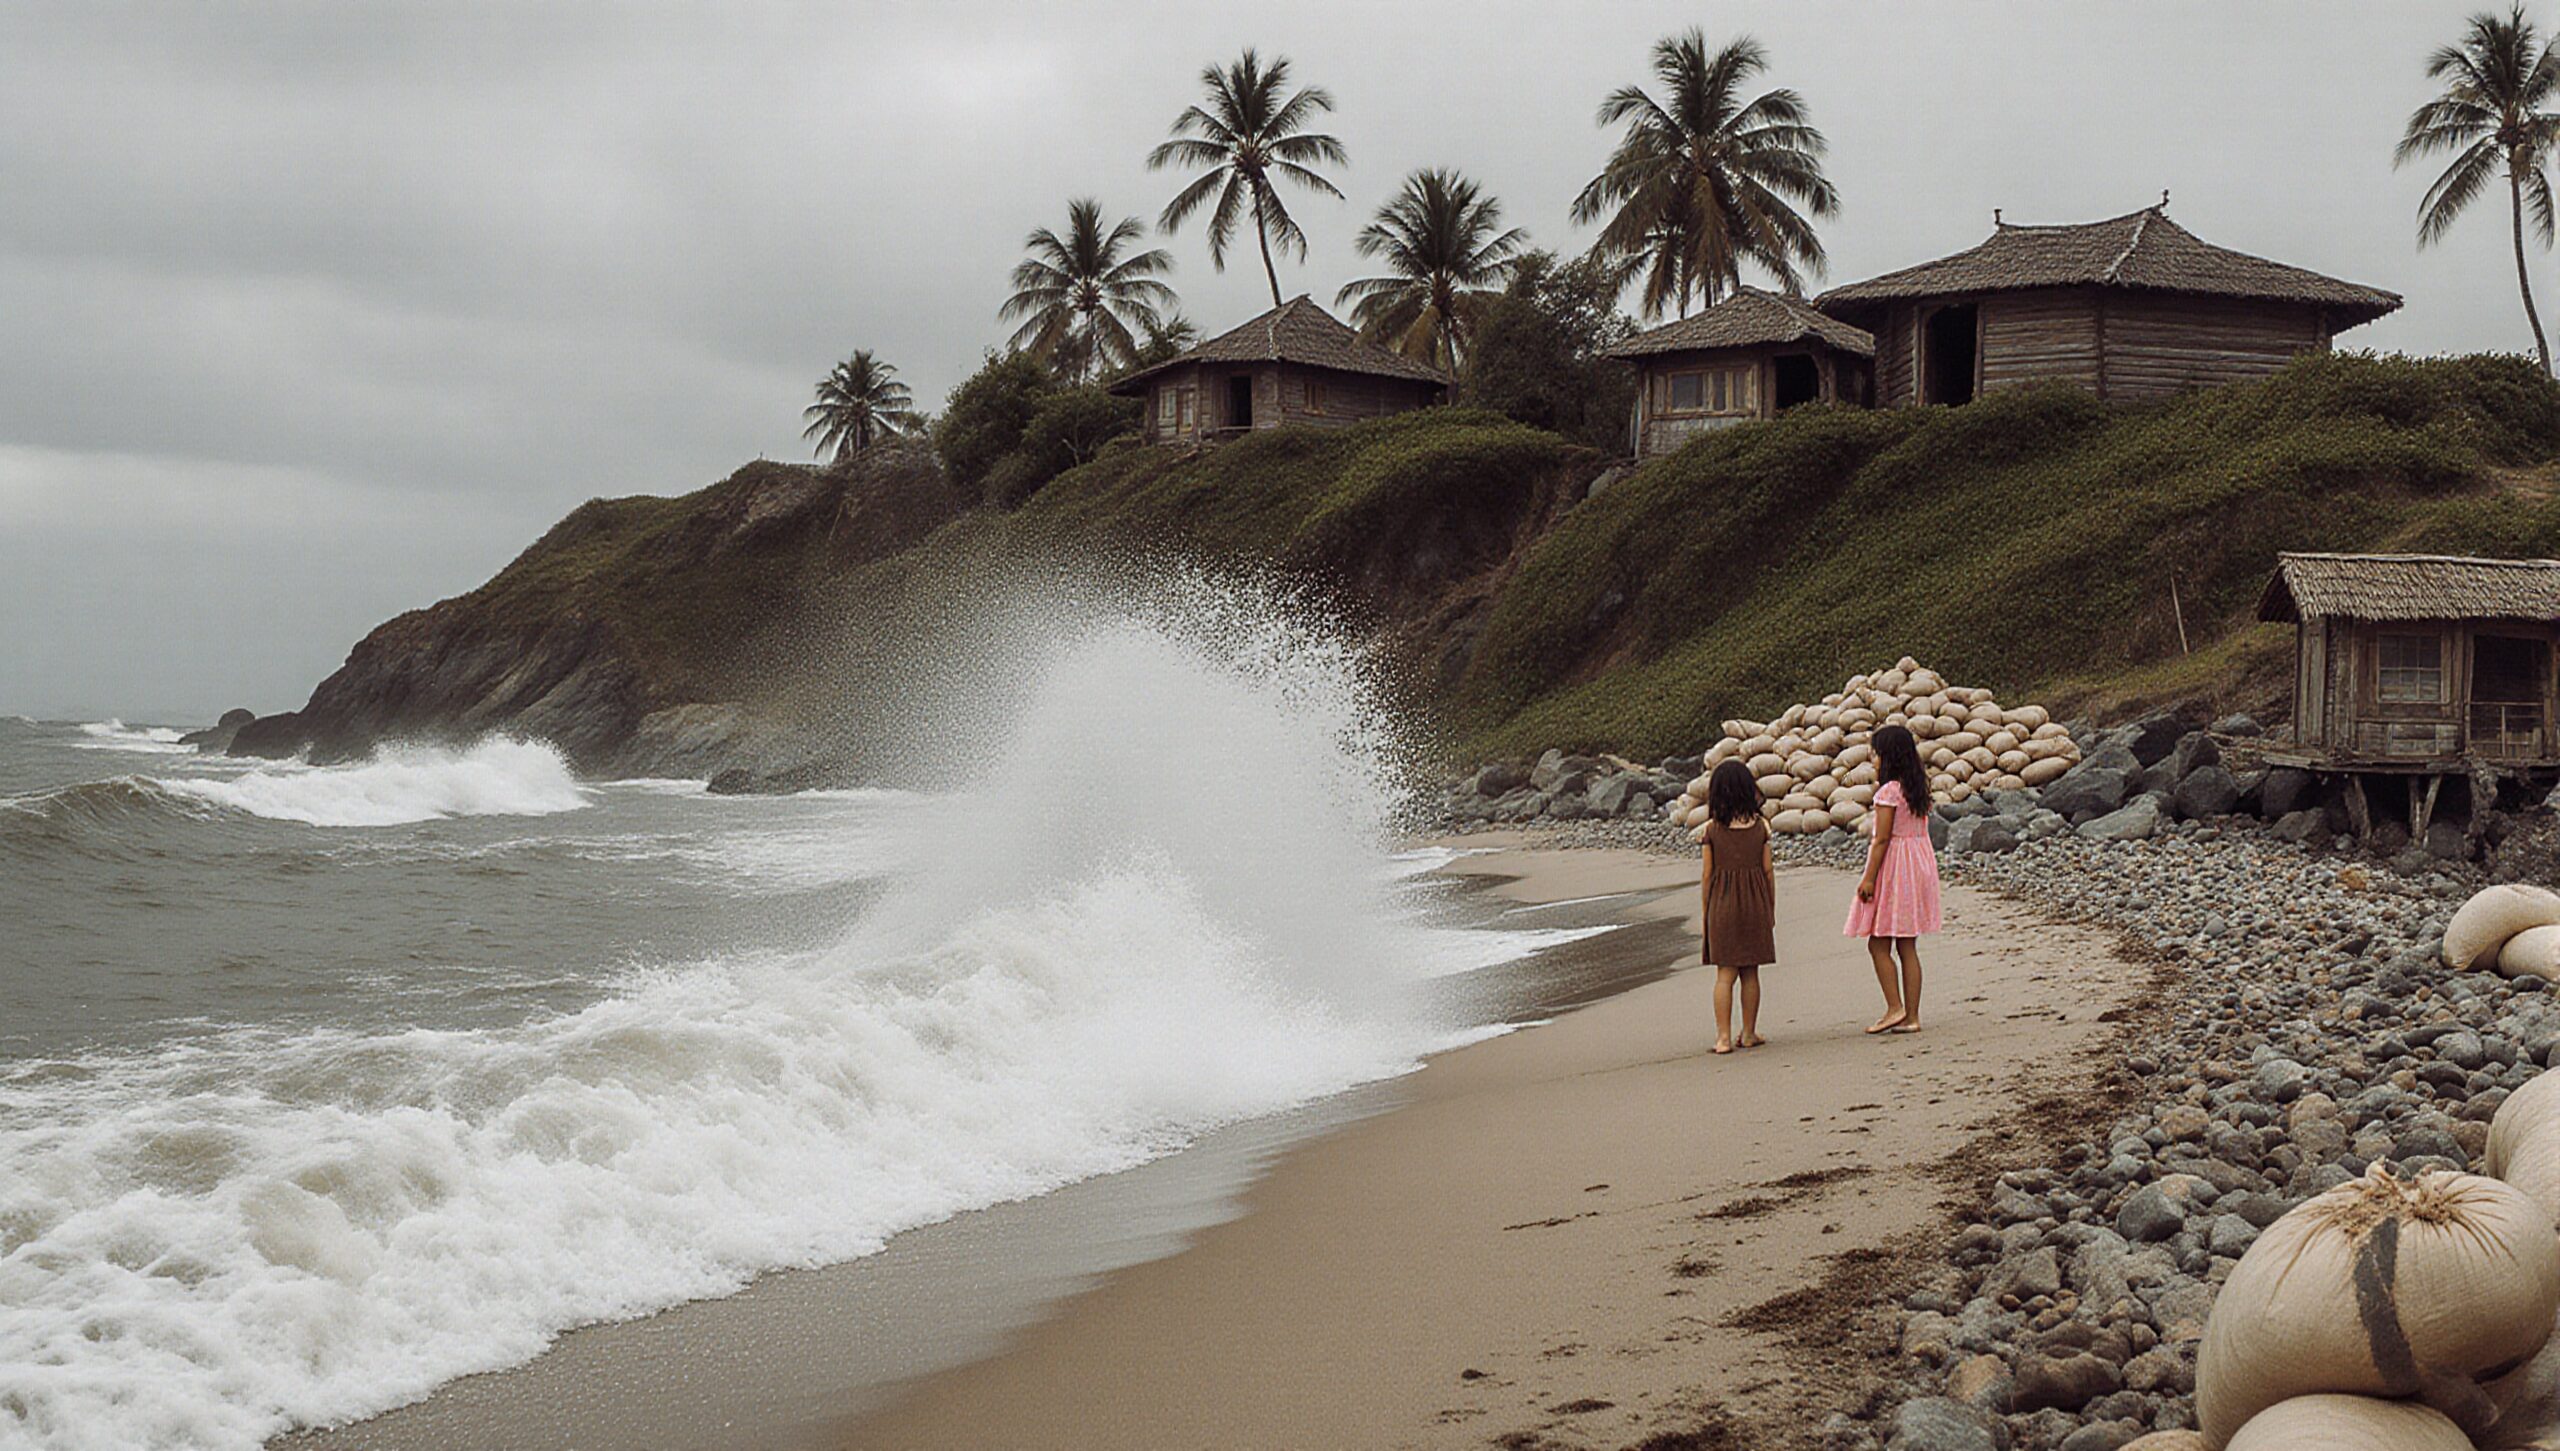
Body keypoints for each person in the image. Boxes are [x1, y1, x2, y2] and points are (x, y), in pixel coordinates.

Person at [1846, 723, 1942, 1034]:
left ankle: (1894, 1007)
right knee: (1907, 945)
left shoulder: (1888, 792)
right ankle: (1912, 1017)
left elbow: (1882, 839)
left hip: (1896, 867)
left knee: (1878, 944)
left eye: (1875, 754)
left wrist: (1869, 878)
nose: (1873, 760)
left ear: (1887, 757)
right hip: (1919, 863)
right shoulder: (1916, 789)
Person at [1698, 759, 1776, 1055]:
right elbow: (1768, 872)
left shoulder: (1711, 830)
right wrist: (1770, 907)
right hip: (1755, 904)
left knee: (1724, 975)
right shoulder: (1762, 827)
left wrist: (1707, 911)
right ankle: (1749, 1032)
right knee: (1751, 974)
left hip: (1722, 905)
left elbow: (1707, 875)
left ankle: (1722, 1038)